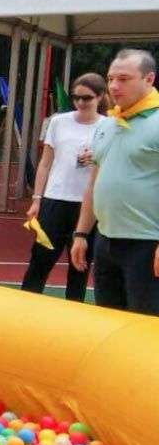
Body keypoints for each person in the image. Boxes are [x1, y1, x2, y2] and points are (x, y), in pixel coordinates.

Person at [71, 49, 159, 315]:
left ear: (149, 79)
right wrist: (81, 233)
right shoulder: (108, 124)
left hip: (146, 244)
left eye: (124, 78)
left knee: (146, 326)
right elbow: (94, 183)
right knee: (110, 322)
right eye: (110, 79)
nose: (114, 86)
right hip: (106, 242)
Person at [20, 73, 111, 301]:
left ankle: (74, 311)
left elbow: (116, 164)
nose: (80, 102)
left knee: (79, 264)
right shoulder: (58, 122)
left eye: (87, 98)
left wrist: (99, 157)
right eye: (76, 97)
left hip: (88, 205)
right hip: (55, 200)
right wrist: (37, 198)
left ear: (100, 97)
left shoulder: (110, 126)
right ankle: (24, 305)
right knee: (40, 258)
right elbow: (45, 163)